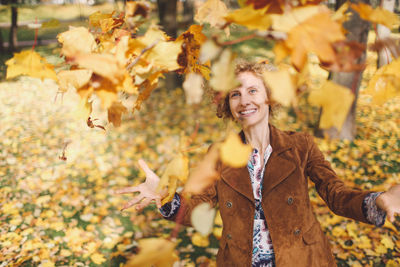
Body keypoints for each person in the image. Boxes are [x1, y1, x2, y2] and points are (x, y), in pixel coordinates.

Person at [116, 61, 400, 267]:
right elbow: (197, 206)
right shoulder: (219, 153)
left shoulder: (301, 146)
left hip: (300, 259)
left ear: (268, 96)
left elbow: (336, 194)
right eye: (234, 94)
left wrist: (377, 200)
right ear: (227, 105)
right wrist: (167, 198)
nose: (244, 100)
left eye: (253, 90)